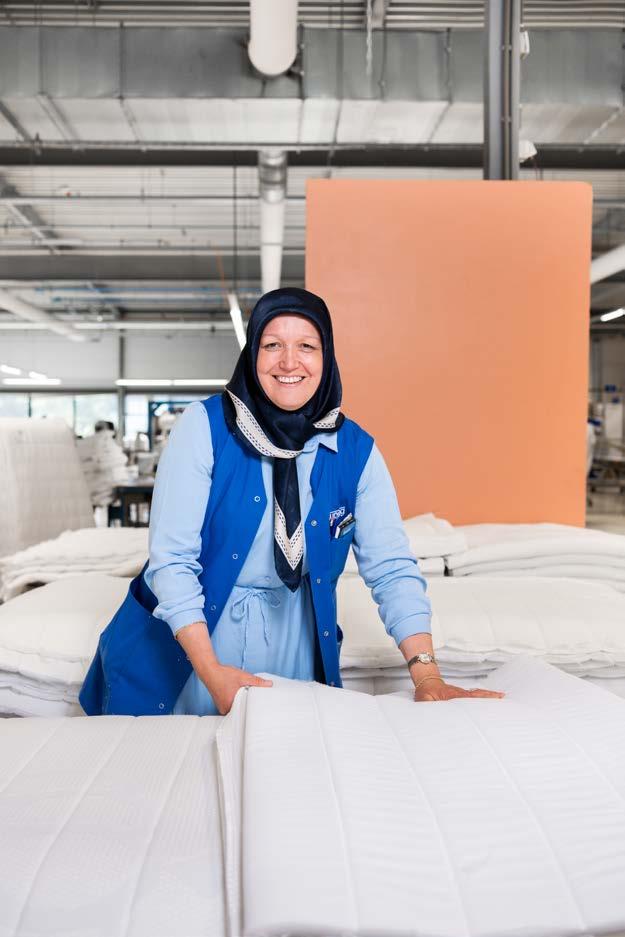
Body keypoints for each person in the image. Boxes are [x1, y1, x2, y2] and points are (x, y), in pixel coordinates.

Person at [79, 288, 503, 716]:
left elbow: (391, 568)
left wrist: (428, 677)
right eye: (272, 345)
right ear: (252, 354)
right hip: (192, 644)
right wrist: (210, 670)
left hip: (293, 642)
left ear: (326, 356)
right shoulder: (204, 428)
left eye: (306, 346)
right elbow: (171, 560)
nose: (288, 362)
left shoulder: (355, 452)